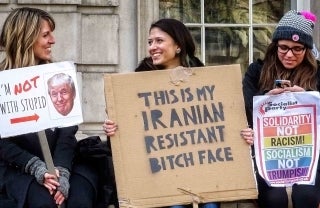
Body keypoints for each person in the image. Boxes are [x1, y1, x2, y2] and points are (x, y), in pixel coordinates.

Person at [104, 18, 220, 208]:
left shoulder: (202, 78)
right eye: (150, 42)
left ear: (178, 46)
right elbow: (127, 141)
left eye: (159, 41)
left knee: (210, 206)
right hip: (158, 176)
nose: (152, 47)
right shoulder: (139, 80)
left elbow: (219, 125)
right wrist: (112, 130)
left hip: (199, 172)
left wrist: (242, 135)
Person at [0, 7, 101, 208]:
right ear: (26, 38)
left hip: (64, 161)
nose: (53, 40)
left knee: (79, 200)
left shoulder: (59, 77)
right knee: (45, 203)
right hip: (18, 166)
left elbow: (67, 134)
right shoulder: (3, 83)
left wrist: (61, 171)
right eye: (46, 35)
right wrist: (36, 167)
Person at [241, 10, 320, 208]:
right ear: (274, 45)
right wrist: (265, 101)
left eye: (297, 49)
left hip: (308, 156)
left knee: (306, 196)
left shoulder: (318, 74)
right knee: (274, 199)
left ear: (307, 50)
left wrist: (308, 99)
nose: (289, 55)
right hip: (269, 155)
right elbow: (244, 113)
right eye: (283, 47)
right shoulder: (256, 71)